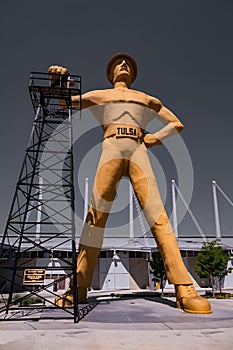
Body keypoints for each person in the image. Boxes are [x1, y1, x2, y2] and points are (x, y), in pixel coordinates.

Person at [48, 53, 211, 313]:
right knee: (95, 217)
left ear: (133, 74)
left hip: (138, 149)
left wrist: (155, 139)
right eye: (118, 63)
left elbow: (176, 123)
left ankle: (184, 287)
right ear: (111, 72)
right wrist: (59, 82)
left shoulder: (146, 99)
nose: (123, 65)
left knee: (159, 218)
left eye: (128, 64)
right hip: (110, 147)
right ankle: (78, 287)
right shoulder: (101, 95)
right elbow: (65, 102)